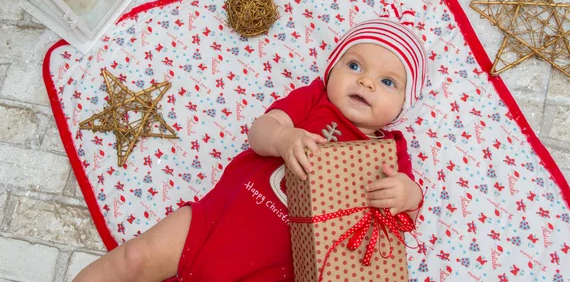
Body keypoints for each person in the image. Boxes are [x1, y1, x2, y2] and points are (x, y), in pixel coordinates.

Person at [74, 18, 427, 282]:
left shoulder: (387, 150)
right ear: (331, 69)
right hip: (217, 219)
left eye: (387, 82)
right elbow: (259, 132)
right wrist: (284, 139)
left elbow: (402, 220)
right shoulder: (313, 100)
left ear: (401, 108)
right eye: (354, 65)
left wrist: (407, 194)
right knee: (134, 259)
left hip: (279, 263)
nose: (366, 81)